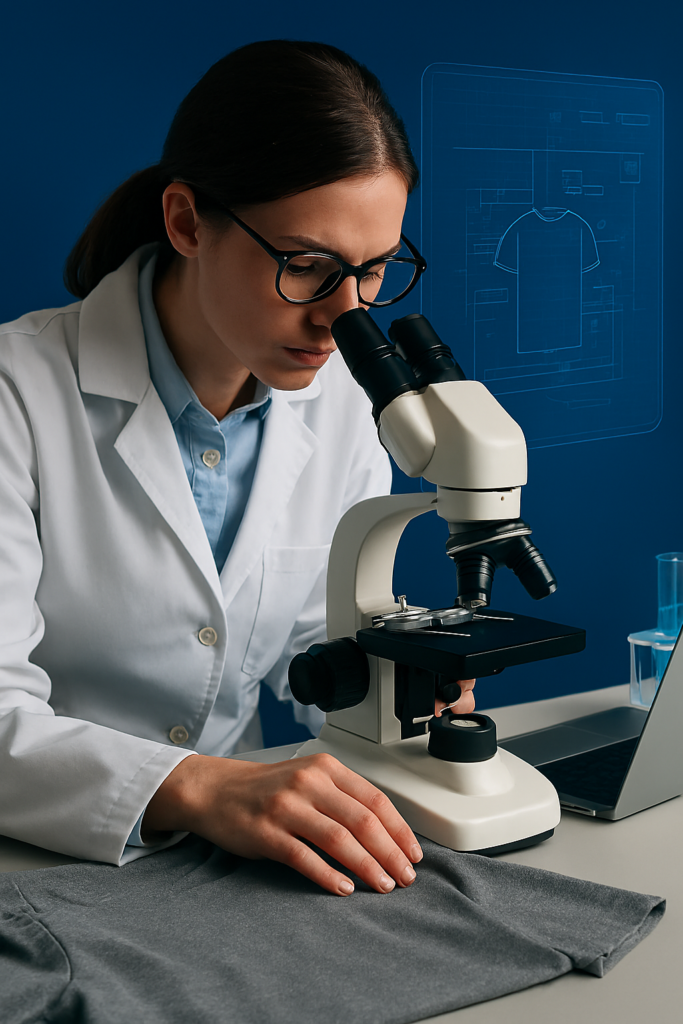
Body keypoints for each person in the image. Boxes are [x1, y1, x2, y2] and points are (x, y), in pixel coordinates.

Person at [0, 40, 475, 898]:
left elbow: (311, 645)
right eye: (308, 267)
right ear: (185, 223)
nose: (345, 317)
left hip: (231, 866)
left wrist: (395, 687)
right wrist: (193, 785)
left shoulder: (341, 403)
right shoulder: (17, 394)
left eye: (372, 272)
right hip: (36, 858)